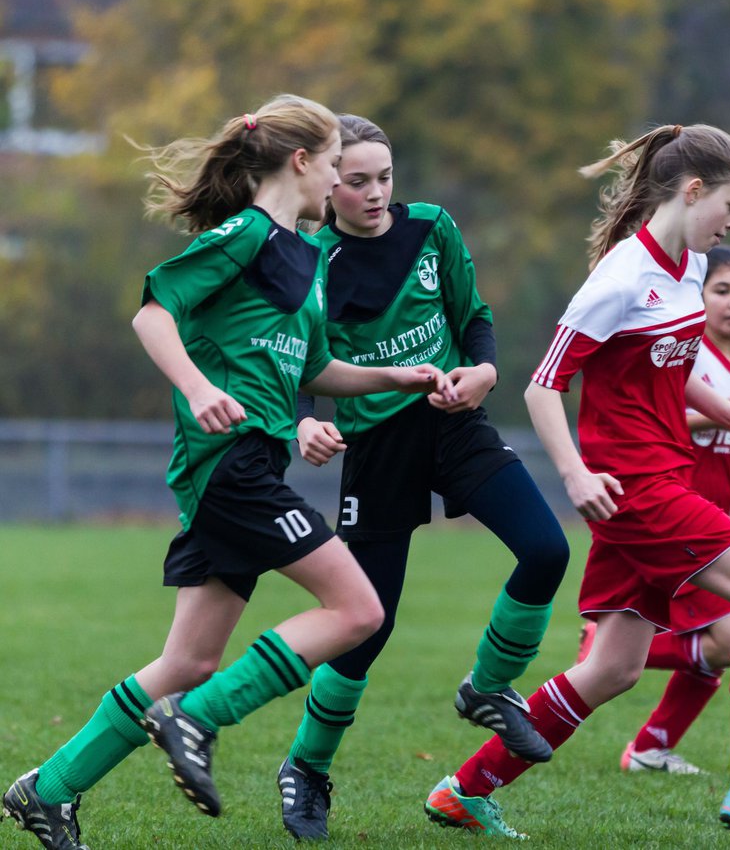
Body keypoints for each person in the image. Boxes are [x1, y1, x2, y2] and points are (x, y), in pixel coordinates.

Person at [0, 95, 451, 850]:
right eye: (338, 164)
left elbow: (317, 369)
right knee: (358, 612)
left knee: (189, 659)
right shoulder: (245, 234)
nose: (346, 180)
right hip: (230, 467)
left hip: (246, 465)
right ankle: (199, 718)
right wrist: (201, 388)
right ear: (302, 162)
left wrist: (398, 377)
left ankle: (46, 791)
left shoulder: (303, 255)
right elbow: (154, 311)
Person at [422, 124, 730, 845]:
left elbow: (663, 374)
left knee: (613, 667)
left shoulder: (682, 272)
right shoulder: (620, 278)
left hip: (658, 478)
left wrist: (728, 410)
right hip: (638, 488)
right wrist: (575, 474)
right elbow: (544, 386)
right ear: (693, 189)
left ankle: (465, 789)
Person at [275, 115, 570, 840]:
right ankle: (305, 771)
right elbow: (294, 357)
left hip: (453, 426)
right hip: (376, 449)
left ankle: (489, 687)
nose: (377, 194)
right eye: (358, 181)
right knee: (365, 629)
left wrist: (486, 372)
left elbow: (475, 320)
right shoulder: (309, 259)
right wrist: (306, 421)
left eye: (386, 178)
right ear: (326, 183)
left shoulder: (433, 228)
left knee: (547, 550)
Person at [577, 243, 730, 777]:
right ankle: (601, 654)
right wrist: (721, 417)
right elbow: (659, 422)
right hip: (669, 518)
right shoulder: (681, 354)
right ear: (697, 296)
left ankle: (649, 747)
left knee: (725, 645)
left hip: (711, 527)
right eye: (722, 290)